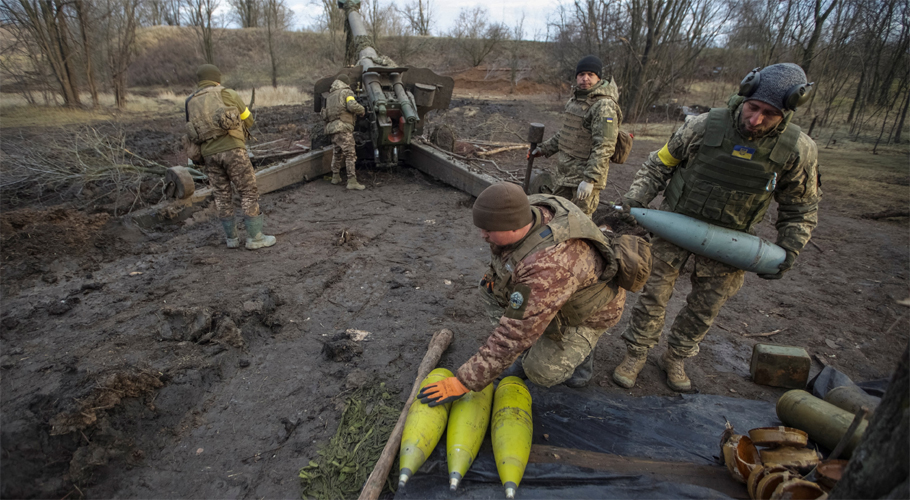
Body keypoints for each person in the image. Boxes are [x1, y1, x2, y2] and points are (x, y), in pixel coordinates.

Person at [613, 63, 821, 392]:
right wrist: (635, 201)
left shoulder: (797, 150)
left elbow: (801, 205)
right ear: (744, 95)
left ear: (788, 113)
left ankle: (676, 356)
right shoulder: (704, 125)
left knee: (705, 306)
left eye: (769, 114)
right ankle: (636, 353)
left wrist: (789, 249)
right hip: (675, 224)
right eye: (753, 108)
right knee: (653, 295)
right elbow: (660, 163)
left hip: (732, 242)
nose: (755, 120)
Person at [417, 182, 636, 406]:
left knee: (540, 371)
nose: (482, 235)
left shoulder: (549, 265)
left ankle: (581, 358)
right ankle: (537, 338)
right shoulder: (527, 209)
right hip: (556, 292)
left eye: (488, 230)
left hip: (589, 312)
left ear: (512, 227)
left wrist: (464, 382)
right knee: (490, 291)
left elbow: (514, 334)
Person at [186, 64, 276, 250]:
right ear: (217, 78)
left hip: (209, 155)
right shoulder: (227, 93)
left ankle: (232, 239)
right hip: (233, 150)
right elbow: (248, 120)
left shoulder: (190, 101)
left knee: (221, 196)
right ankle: (255, 238)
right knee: (248, 191)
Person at [529, 55, 622, 216]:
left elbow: (605, 146)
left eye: (590, 75)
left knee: (578, 223)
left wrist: (590, 180)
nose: (585, 79)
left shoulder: (604, 106)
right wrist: (543, 149)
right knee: (556, 216)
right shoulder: (576, 100)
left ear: (599, 77)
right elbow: (567, 133)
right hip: (565, 175)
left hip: (583, 179)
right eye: (581, 74)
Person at [323, 74, 367, 191]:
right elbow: (352, 106)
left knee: (337, 153)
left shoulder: (331, 95)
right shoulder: (346, 92)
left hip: (332, 128)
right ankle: (352, 181)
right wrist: (362, 110)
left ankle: (335, 177)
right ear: (346, 83)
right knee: (350, 154)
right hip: (343, 127)